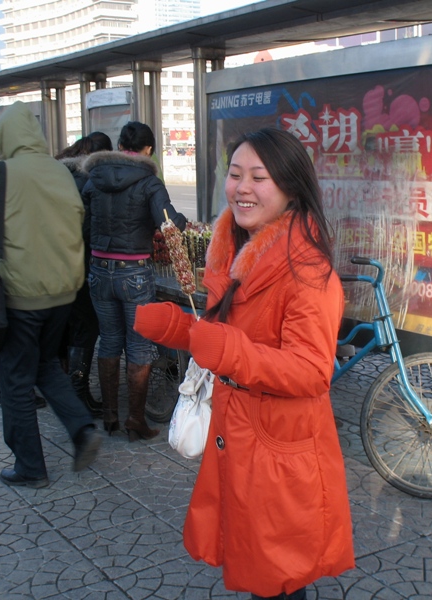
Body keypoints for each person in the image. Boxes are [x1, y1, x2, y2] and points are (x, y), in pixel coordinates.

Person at [134, 128, 355, 599]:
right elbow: (227, 337)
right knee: (258, 570)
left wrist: (229, 352)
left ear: (291, 188)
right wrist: (178, 328)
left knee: (276, 579)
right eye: (235, 175)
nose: (243, 188)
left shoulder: (306, 271)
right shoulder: (238, 252)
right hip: (243, 441)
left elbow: (312, 370)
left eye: (259, 177)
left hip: (279, 451)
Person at [0, 101, 100, 489]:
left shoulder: (2, 174)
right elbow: (78, 219)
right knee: (44, 365)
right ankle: (81, 428)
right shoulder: (59, 171)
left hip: (21, 293)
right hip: (62, 291)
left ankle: (30, 467)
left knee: (16, 380)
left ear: (5, 138)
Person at [81, 121, 187, 441]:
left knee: (110, 340)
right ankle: (135, 420)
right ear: (148, 149)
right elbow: (168, 223)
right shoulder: (149, 180)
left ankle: (110, 417)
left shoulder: (95, 177)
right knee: (139, 344)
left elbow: (85, 217)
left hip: (99, 269)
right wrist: (179, 220)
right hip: (134, 273)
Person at [56, 131, 113, 418]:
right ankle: (78, 395)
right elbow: (85, 230)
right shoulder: (85, 181)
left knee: (72, 328)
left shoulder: (61, 172)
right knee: (85, 328)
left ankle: (71, 390)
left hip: (56, 264)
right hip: (78, 264)